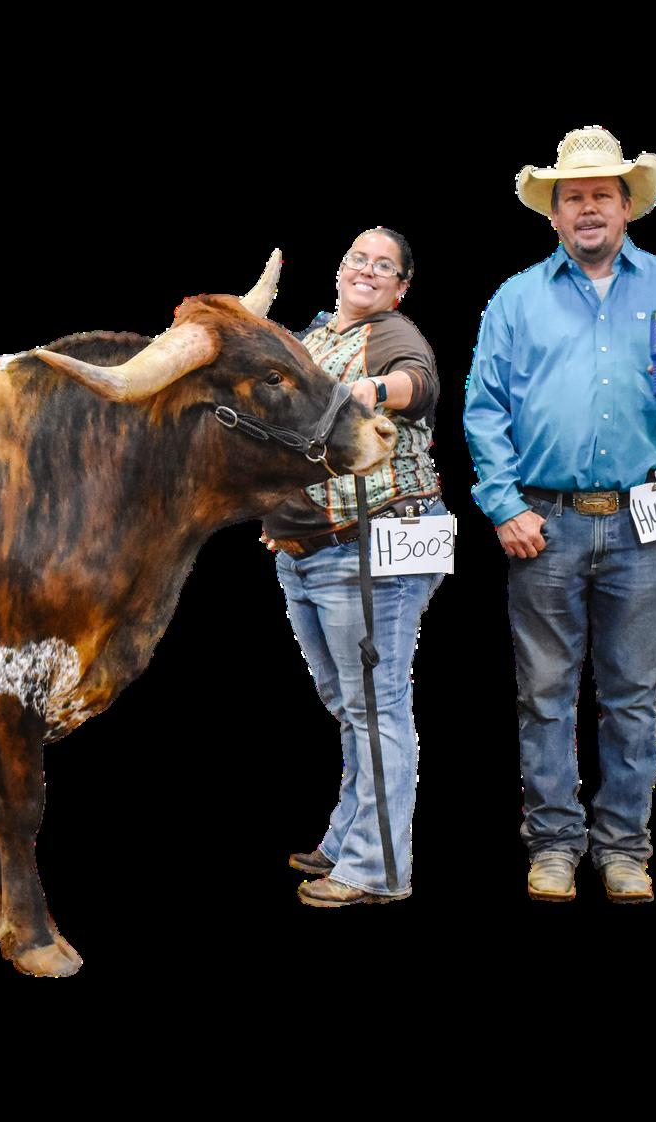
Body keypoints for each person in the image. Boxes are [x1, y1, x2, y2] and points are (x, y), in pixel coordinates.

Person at [464, 126, 656, 903]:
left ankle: (624, 850)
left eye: (602, 196)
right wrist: (503, 505)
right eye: (574, 197)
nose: (588, 209)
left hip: (648, 522)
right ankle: (553, 847)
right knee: (544, 695)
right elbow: (484, 410)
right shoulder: (514, 299)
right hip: (542, 524)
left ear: (627, 208)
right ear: (555, 214)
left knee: (634, 696)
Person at [263, 228, 446, 907]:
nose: (367, 270)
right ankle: (350, 836)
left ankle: (378, 867)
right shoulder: (311, 339)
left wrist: (375, 388)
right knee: (351, 704)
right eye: (357, 259)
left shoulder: (393, 334)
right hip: (309, 551)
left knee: (375, 705)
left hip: (370, 545)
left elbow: (418, 384)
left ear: (401, 286)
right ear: (340, 270)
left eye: (384, 266)